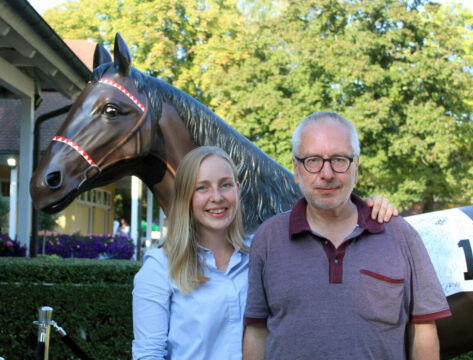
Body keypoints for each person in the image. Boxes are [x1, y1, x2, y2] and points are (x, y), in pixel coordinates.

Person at [132, 146, 397, 359]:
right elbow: (148, 355)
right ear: (186, 196)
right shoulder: (159, 269)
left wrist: (367, 207)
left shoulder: (265, 251)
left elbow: (322, 221)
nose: (217, 197)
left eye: (225, 185)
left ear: (237, 191)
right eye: (202, 187)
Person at [243, 112, 451, 360]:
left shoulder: (400, 235)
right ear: (297, 170)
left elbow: (423, 328)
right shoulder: (268, 238)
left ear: (356, 167)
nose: (327, 173)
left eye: (339, 160)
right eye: (312, 160)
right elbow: (257, 330)